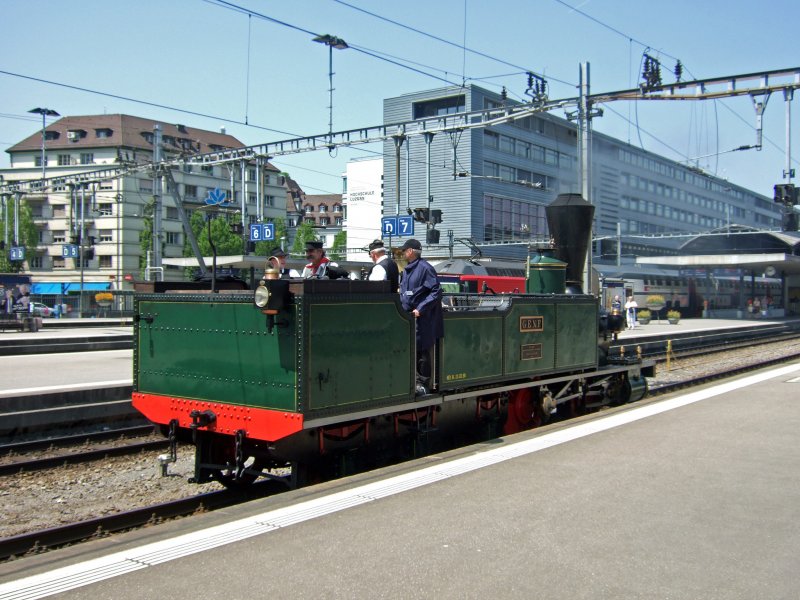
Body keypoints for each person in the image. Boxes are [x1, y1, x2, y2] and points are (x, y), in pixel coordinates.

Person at [399, 238, 444, 395]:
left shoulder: (425, 268)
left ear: (410, 251)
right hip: (409, 317)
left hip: (422, 318)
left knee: (422, 351)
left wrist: (421, 309)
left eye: (404, 250)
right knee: (413, 350)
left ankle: (423, 384)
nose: (402, 253)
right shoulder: (407, 270)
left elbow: (436, 291)